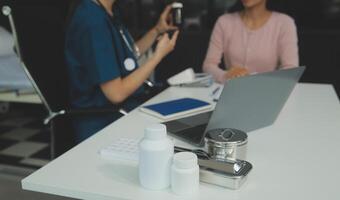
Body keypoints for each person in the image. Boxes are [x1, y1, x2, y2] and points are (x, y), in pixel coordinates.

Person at [65, 0, 179, 142]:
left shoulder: (106, 12)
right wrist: (157, 56)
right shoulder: (93, 21)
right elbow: (116, 93)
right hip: (103, 123)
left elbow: (128, 56)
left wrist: (157, 30)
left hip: (124, 110)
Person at [202, 0, 299, 83]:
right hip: (231, 92)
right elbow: (209, 65)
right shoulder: (224, 22)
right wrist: (225, 75)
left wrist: (264, 83)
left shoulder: (285, 23)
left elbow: (291, 69)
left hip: (268, 93)